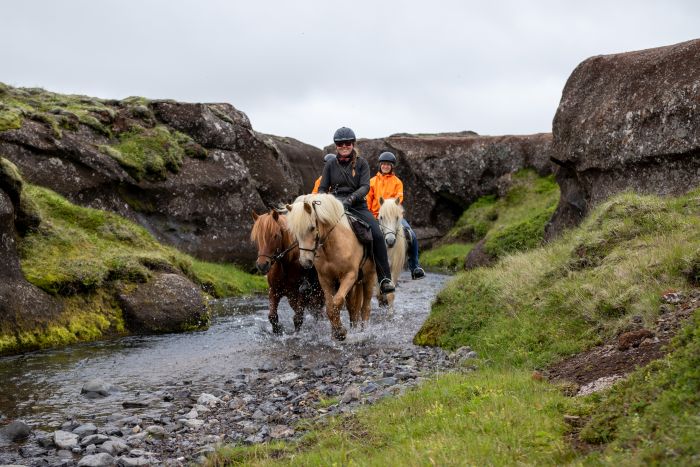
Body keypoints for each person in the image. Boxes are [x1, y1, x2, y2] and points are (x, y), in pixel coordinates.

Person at [317, 127, 396, 295]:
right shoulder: (330, 164)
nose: (344, 146)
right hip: (334, 204)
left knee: (377, 234)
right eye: (340, 143)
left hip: (357, 205)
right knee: (313, 232)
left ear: (352, 144)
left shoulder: (362, 163)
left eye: (347, 143)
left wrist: (351, 199)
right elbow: (323, 188)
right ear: (336, 145)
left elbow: (365, 186)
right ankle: (309, 280)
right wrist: (325, 202)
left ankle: (384, 278)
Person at [366, 152, 425, 280]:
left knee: (411, 235)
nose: (386, 166)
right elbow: (368, 200)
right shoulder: (372, 182)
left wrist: (389, 208)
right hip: (376, 216)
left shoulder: (397, 182)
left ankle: (415, 267)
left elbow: (399, 198)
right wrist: (370, 216)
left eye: (388, 164)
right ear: (380, 165)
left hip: (393, 216)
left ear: (392, 166)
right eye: (384, 164)